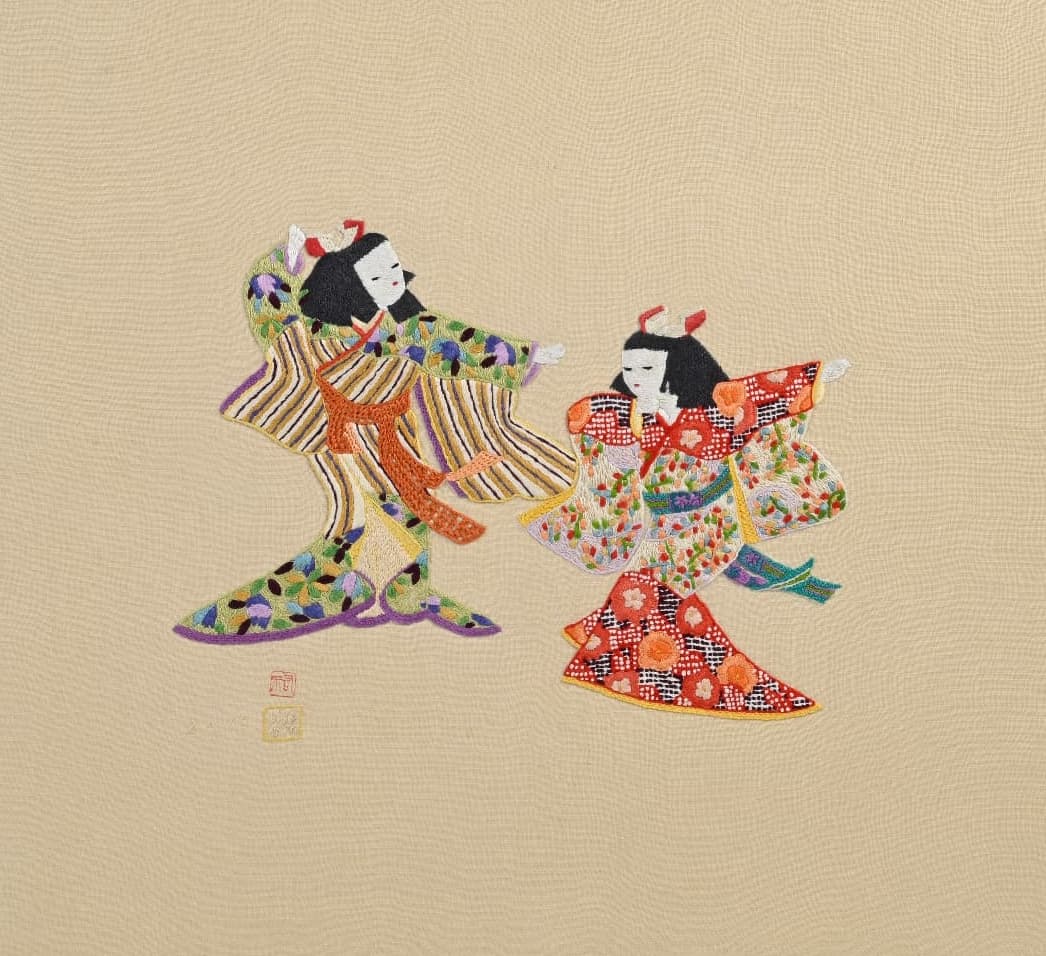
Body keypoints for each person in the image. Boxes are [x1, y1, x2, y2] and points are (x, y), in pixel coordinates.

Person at [174, 219, 575, 643]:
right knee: (359, 513)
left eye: (395, 269)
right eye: (379, 276)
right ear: (350, 286)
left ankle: (402, 591)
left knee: (408, 509)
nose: (393, 280)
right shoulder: (317, 331)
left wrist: (525, 357)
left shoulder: (412, 330)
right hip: (341, 440)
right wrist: (287, 257)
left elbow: (460, 343)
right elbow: (275, 311)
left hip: (394, 433)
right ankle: (347, 586)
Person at [521, 305, 850, 716]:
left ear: (675, 367)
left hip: (709, 525)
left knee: (644, 590)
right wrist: (618, 418)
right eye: (629, 368)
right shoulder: (629, 416)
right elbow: (587, 417)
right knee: (644, 589)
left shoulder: (714, 416)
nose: (634, 378)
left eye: (646, 368)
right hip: (660, 527)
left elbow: (762, 394)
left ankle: (653, 668)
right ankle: (632, 653)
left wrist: (817, 375)